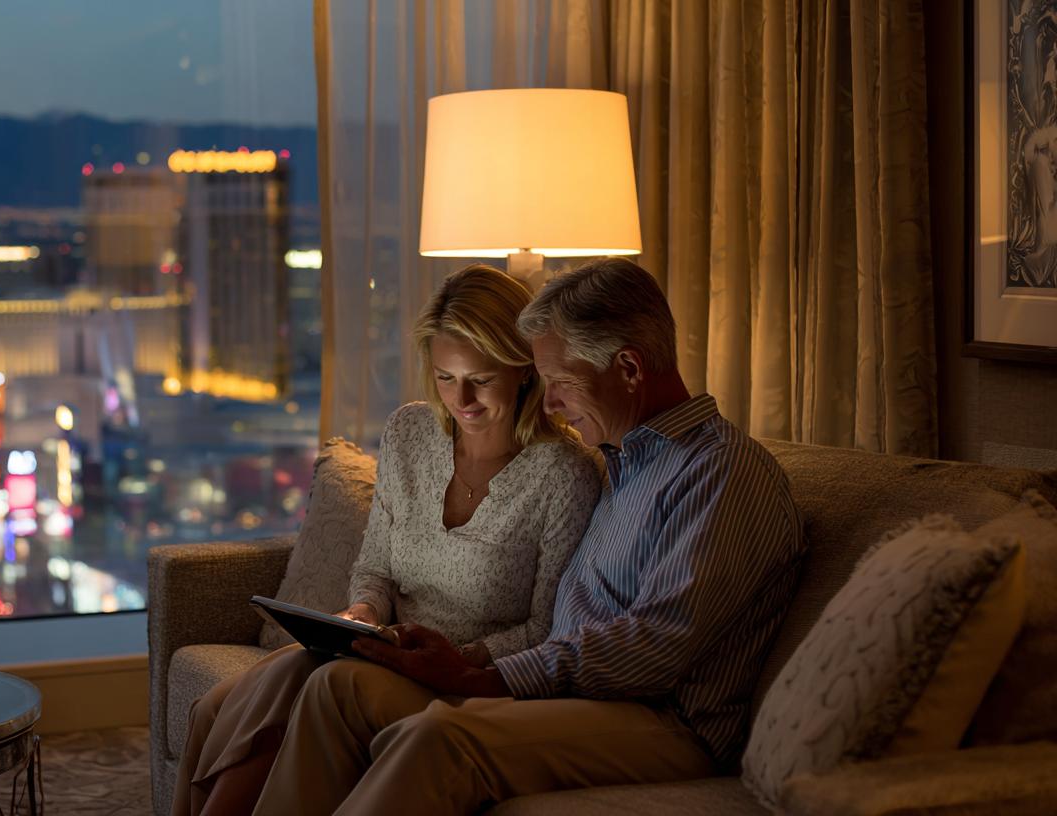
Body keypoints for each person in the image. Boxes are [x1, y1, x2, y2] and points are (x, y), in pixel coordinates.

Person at [252, 258, 806, 816]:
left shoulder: (721, 471)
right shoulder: (628, 461)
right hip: (567, 699)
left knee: (439, 738)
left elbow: (657, 646)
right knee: (338, 689)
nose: (551, 403)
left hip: (662, 722)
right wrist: (471, 666)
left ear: (629, 368)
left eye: (561, 382)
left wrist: (488, 678)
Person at [172, 264, 602, 816]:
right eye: (445, 377)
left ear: (523, 369)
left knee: (303, 684)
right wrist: (361, 613)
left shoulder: (564, 473)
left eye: (481, 378)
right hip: (384, 649)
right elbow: (375, 566)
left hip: (460, 680)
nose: (462, 398)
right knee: (225, 703)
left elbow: (547, 628)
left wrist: (458, 658)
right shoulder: (410, 433)